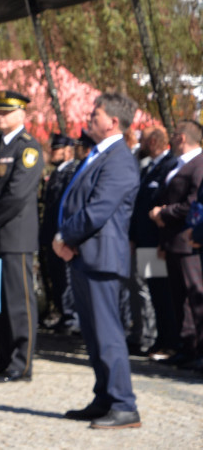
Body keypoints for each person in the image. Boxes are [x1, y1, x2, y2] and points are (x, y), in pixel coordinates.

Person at [55, 92, 142, 429]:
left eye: (97, 113)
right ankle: (105, 396)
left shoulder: (119, 158)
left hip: (100, 256)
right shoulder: (98, 153)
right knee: (92, 334)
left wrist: (65, 237)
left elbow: (99, 209)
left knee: (108, 334)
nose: (90, 116)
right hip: (86, 255)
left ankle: (124, 404)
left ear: (113, 122)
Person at [0, 90, 44, 383]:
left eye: (5, 113)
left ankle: (21, 362)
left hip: (15, 235)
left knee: (19, 301)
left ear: (20, 115)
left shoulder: (27, 148)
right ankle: (2, 358)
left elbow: (17, 193)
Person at [149, 120, 203, 371]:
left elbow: (194, 202)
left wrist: (164, 212)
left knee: (194, 295)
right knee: (178, 297)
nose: (170, 138)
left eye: (174, 134)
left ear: (181, 137)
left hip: (188, 240)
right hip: (172, 240)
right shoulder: (177, 164)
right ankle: (186, 347)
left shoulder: (199, 164)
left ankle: (197, 348)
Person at [132, 127, 179, 359]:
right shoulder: (150, 168)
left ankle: (168, 342)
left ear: (152, 142)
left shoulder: (169, 165)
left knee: (162, 294)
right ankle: (160, 340)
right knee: (154, 291)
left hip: (156, 242)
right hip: (145, 241)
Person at [39, 133, 79, 334]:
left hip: (61, 233)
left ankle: (71, 317)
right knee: (56, 276)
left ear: (68, 151)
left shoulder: (72, 172)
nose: (52, 153)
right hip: (50, 232)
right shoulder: (56, 173)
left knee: (66, 277)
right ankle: (64, 314)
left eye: (56, 149)